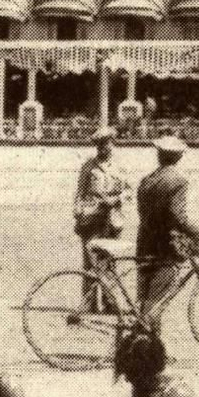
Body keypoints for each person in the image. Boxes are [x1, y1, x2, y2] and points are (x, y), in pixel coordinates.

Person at [134, 135, 199, 327]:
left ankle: (144, 348)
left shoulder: (146, 180)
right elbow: (178, 217)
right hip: (166, 248)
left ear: (159, 156)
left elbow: (145, 214)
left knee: (143, 302)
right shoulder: (178, 181)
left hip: (145, 244)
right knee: (155, 305)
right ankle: (149, 352)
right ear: (179, 157)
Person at [73, 128, 130, 308]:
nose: (106, 148)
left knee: (109, 262)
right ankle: (87, 303)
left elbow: (128, 190)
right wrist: (78, 213)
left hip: (113, 219)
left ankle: (110, 303)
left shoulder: (120, 166)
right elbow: (80, 193)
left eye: (109, 144)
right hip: (92, 219)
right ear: (97, 147)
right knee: (90, 260)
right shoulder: (89, 166)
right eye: (102, 145)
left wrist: (118, 199)